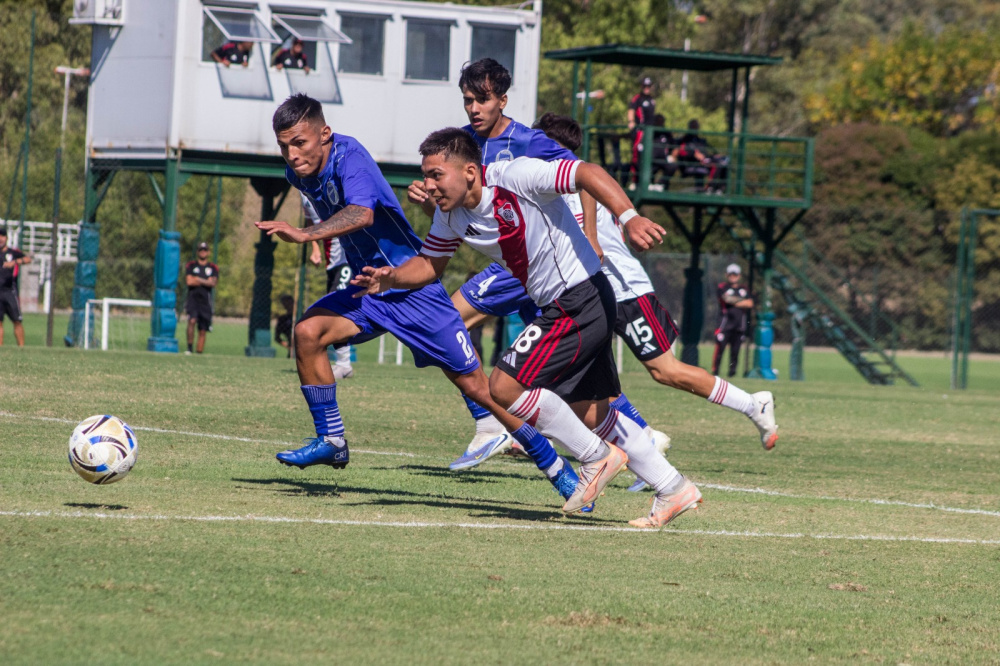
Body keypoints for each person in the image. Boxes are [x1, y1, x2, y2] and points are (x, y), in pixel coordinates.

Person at [254, 95, 609, 509]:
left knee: (481, 389)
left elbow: (362, 214)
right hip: (372, 286)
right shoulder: (298, 173)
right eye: (284, 146)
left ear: (325, 134)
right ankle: (332, 440)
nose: (292, 154)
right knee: (307, 333)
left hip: (413, 288)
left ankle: (559, 471)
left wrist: (306, 234)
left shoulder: (350, 157)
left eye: (300, 143)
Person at [355, 128, 702, 527]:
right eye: (426, 176)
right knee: (592, 411)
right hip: (571, 302)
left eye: (436, 175)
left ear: (470, 171)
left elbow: (587, 172)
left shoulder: (516, 176)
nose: (428, 185)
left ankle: (595, 456)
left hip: (579, 297)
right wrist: (393, 278)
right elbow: (430, 265)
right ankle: (673, 488)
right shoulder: (450, 215)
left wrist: (629, 216)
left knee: (503, 387)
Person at [407, 58, 612, 475]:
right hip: (514, 262)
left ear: (502, 100)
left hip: (538, 259)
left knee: (448, 325)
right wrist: (430, 200)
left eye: (482, 100)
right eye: (468, 100)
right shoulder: (460, 145)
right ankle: (636, 435)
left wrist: (591, 235)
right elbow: (451, 213)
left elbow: (583, 175)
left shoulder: (528, 141)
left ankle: (491, 424)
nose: (474, 108)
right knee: (571, 370)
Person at [533, 114, 778, 459]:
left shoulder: (578, 178)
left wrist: (593, 234)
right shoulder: (550, 184)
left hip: (625, 292)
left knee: (665, 371)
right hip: (590, 296)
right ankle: (638, 444)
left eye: (537, 141)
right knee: (582, 377)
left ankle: (753, 405)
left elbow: (586, 190)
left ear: (554, 146)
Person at [303, 193, 353, 379]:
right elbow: (310, 220)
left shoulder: (332, 184)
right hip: (331, 263)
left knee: (334, 309)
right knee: (334, 310)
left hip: (347, 259)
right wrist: (315, 248)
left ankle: (343, 364)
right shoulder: (301, 191)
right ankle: (343, 364)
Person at [712, 263, 754, 379]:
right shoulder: (723, 287)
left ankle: (732, 373)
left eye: (735, 274)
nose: (733, 277)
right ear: (727, 275)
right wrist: (742, 301)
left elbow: (750, 303)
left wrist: (735, 301)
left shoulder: (744, 289)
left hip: (739, 326)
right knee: (720, 350)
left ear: (739, 276)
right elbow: (726, 299)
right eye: (731, 274)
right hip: (724, 325)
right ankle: (715, 373)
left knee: (735, 352)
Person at [676, 119, 729, 193]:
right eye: (693, 126)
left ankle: (720, 189)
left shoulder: (700, 140)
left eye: (696, 126)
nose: (695, 128)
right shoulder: (685, 140)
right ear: (689, 127)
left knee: (724, 162)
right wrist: (693, 154)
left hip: (705, 160)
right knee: (717, 165)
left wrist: (714, 156)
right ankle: (709, 188)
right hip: (693, 163)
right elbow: (681, 152)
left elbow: (705, 154)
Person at [184, 241, 219, 354]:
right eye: (201, 250)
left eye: (205, 250)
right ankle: (189, 348)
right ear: (197, 252)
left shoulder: (213, 267)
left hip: (205, 300)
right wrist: (205, 281)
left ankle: (199, 352)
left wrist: (197, 279)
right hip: (193, 298)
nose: (203, 252)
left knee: (203, 329)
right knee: (192, 321)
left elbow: (213, 283)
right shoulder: (191, 265)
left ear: (208, 252)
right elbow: (189, 281)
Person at [0, 226, 30, 347]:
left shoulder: (12, 253)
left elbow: (27, 259)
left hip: (10, 292)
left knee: (17, 320)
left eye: (2, 236)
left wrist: (15, 262)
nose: (0, 239)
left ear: (6, 238)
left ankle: (21, 348)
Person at [627, 76, 656, 186]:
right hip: (640, 132)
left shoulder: (652, 100)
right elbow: (631, 110)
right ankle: (634, 181)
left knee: (649, 156)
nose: (646, 88)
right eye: (645, 86)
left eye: (648, 86)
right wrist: (631, 121)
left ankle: (648, 181)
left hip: (650, 133)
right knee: (637, 155)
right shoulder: (637, 98)